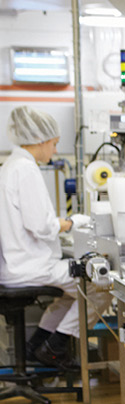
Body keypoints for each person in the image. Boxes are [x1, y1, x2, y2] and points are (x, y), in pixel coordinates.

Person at [0, 106, 101, 370]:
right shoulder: (26, 169)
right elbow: (41, 226)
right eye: (54, 144)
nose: (55, 151)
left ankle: (37, 345)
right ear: (39, 139)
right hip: (30, 266)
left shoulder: (10, 166)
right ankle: (56, 347)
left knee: (73, 293)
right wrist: (71, 222)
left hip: (16, 264)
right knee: (100, 285)